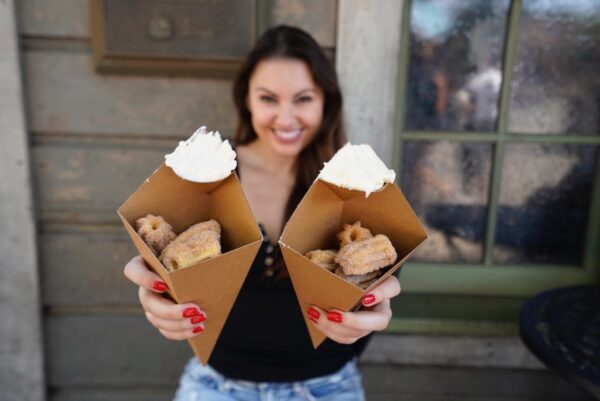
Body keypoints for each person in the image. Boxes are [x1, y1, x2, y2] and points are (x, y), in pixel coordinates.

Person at [124, 25, 401, 401]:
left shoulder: (356, 186)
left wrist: (378, 305)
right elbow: (165, 258)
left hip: (328, 387)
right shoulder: (207, 177)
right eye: (268, 98)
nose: (286, 119)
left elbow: (382, 280)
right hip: (216, 385)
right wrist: (157, 291)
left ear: (326, 102)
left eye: (303, 99)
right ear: (247, 100)